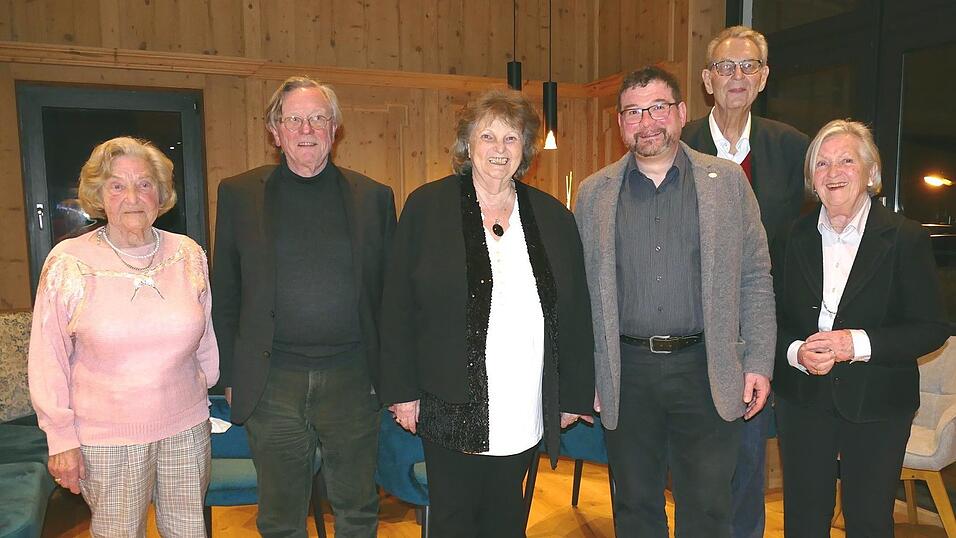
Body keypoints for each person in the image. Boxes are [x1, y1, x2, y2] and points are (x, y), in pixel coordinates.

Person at [379, 89, 595, 537]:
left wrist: (572, 394)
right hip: (449, 397)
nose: (499, 149)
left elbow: (574, 313)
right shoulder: (426, 207)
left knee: (505, 516)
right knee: (454, 517)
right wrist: (402, 390)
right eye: (488, 136)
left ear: (525, 148)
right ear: (468, 144)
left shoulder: (553, 217)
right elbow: (397, 305)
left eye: (511, 138)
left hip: (521, 401)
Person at [575, 66, 776, 537]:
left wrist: (760, 362)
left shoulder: (726, 184)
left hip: (706, 369)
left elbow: (755, 276)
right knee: (635, 506)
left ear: (682, 112)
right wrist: (588, 374)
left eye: (658, 108)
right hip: (627, 371)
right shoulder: (594, 194)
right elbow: (580, 292)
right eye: (632, 112)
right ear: (620, 122)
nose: (646, 121)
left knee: (707, 509)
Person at [211, 76, 395, 538]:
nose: (307, 129)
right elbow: (226, 290)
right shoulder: (239, 194)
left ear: (335, 129)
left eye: (319, 118)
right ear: (275, 131)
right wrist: (230, 375)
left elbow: (390, 297)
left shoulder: (374, 197)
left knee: (357, 509)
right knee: (279, 516)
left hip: (354, 379)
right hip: (272, 382)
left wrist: (393, 376)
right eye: (294, 119)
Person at [28, 136, 219, 536]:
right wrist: (61, 438)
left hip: (186, 428)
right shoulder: (68, 262)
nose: (133, 196)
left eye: (144, 183)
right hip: (107, 438)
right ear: (99, 194)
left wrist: (204, 391)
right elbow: (48, 359)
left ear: (161, 193)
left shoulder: (187, 254)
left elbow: (205, 337)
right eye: (117, 185)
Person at [773, 119, 949, 538]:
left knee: (869, 520)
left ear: (871, 173)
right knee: (802, 519)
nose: (833, 173)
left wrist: (858, 343)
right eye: (822, 164)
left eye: (846, 161)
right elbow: (766, 317)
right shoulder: (788, 237)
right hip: (802, 398)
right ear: (811, 179)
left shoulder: (905, 239)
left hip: (879, 400)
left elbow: (932, 327)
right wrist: (796, 351)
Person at [680, 25, 810, 538]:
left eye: (749, 66)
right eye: (726, 67)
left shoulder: (794, 149)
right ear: (708, 80)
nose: (738, 76)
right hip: (687, 336)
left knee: (749, 467)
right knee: (691, 469)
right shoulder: (676, 144)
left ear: (764, 78)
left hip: (758, 337)